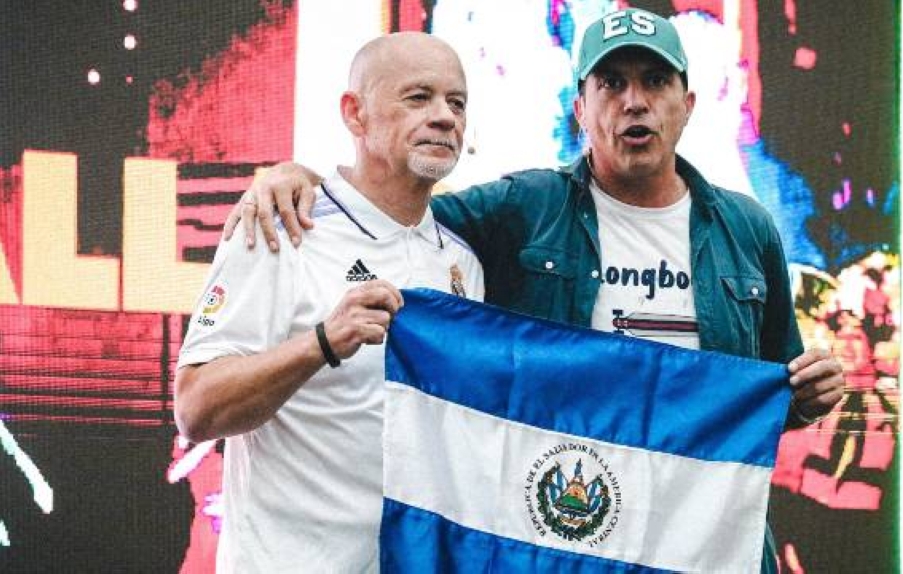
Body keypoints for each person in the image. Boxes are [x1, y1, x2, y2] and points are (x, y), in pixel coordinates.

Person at [228, 9, 844, 572]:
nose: (635, 103)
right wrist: (297, 175)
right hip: (562, 539)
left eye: (654, 82)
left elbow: (763, 400)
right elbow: (395, 206)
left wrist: (807, 399)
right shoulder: (524, 207)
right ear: (580, 106)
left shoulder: (747, 228)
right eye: (612, 84)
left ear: (686, 103)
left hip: (695, 544)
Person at [173, 32, 483, 573]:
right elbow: (196, 409)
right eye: (418, 97)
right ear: (355, 114)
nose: (444, 117)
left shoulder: (463, 264)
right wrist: (320, 343)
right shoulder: (281, 225)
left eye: (456, 103)